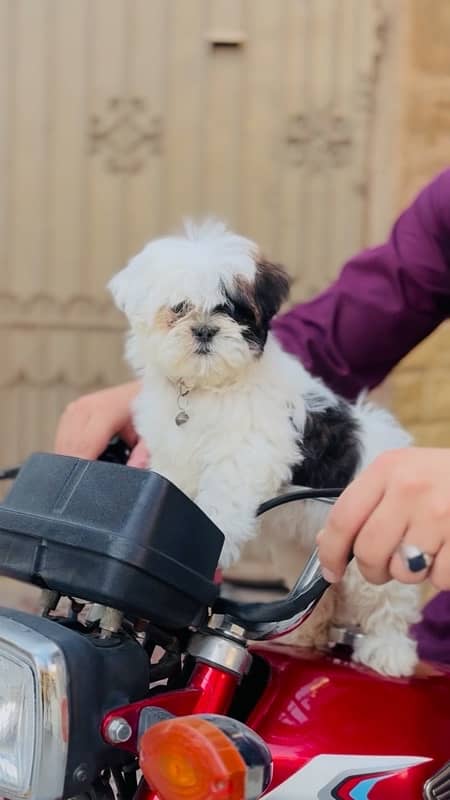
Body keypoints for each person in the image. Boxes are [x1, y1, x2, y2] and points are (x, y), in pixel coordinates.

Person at [54, 168, 450, 661]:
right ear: (143, 311)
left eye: (230, 314)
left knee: (372, 593)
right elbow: (351, 318)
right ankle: (315, 620)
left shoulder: (263, 399)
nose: (203, 329)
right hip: (305, 544)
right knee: (296, 573)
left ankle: (388, 635)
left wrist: (185, 561)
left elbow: (237, 484)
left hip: (362, 514)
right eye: (179, 312)